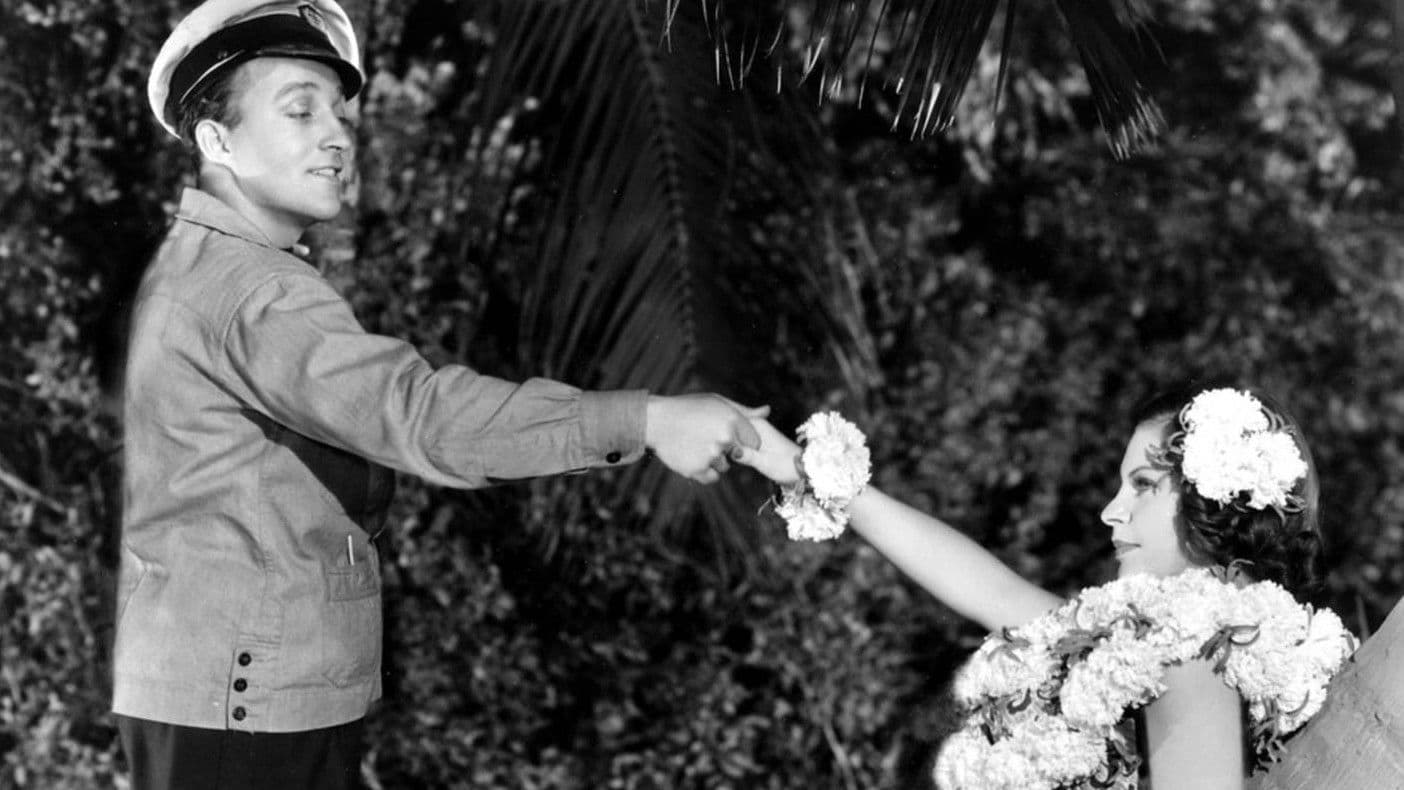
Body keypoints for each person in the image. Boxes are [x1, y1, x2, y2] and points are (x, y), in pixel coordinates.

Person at [116, 2, 765, 788]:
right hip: (247, 713)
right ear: (217, 141)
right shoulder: (255, 292)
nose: (337, 136)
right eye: (300, 110)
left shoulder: (208, 267)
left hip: (228, 695)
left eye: (340, 114)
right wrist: (646, 418)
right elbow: (422, 417)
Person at [736, 385, 1340, 789]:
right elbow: (989, 589)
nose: (1111, 511)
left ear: (1216, 497)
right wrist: (792, 463)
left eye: (1142, 484)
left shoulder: (1199, 656)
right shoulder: (1155, 640)